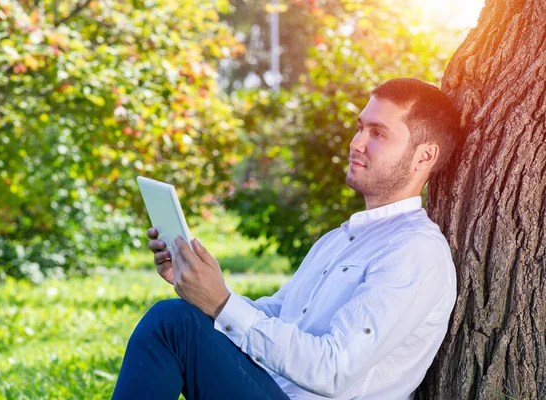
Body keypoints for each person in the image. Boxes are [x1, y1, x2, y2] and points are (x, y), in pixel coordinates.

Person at [111, 78, 461, 400]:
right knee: (180, 316)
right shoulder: (337, 241)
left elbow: (335, 370)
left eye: (378, 134)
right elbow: (279, 315)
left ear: (424, 156)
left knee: (173, 322)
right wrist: (206, 290)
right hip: (271, 389)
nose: (356, 143)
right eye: (360, 128)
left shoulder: (416, 250)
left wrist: (220, 303)